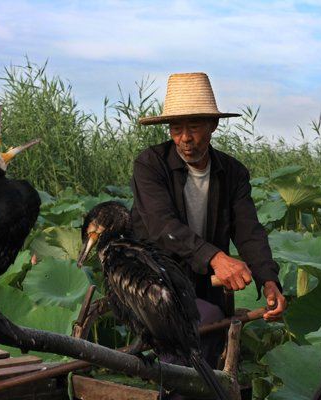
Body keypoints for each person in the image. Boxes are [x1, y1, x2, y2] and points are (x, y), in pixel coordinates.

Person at [130, 72, 287, 372]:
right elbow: (162, 226)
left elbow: (249, 231)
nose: (185, 138)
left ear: (213, 126)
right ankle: (177, 388)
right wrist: (215, 257)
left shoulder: (232, 172)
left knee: (210, 321)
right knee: (207, 320)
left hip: (203, 286)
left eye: (194, 127)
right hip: (156, 282)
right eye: (176, 128)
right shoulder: (150, 164)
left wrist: (268, 281)